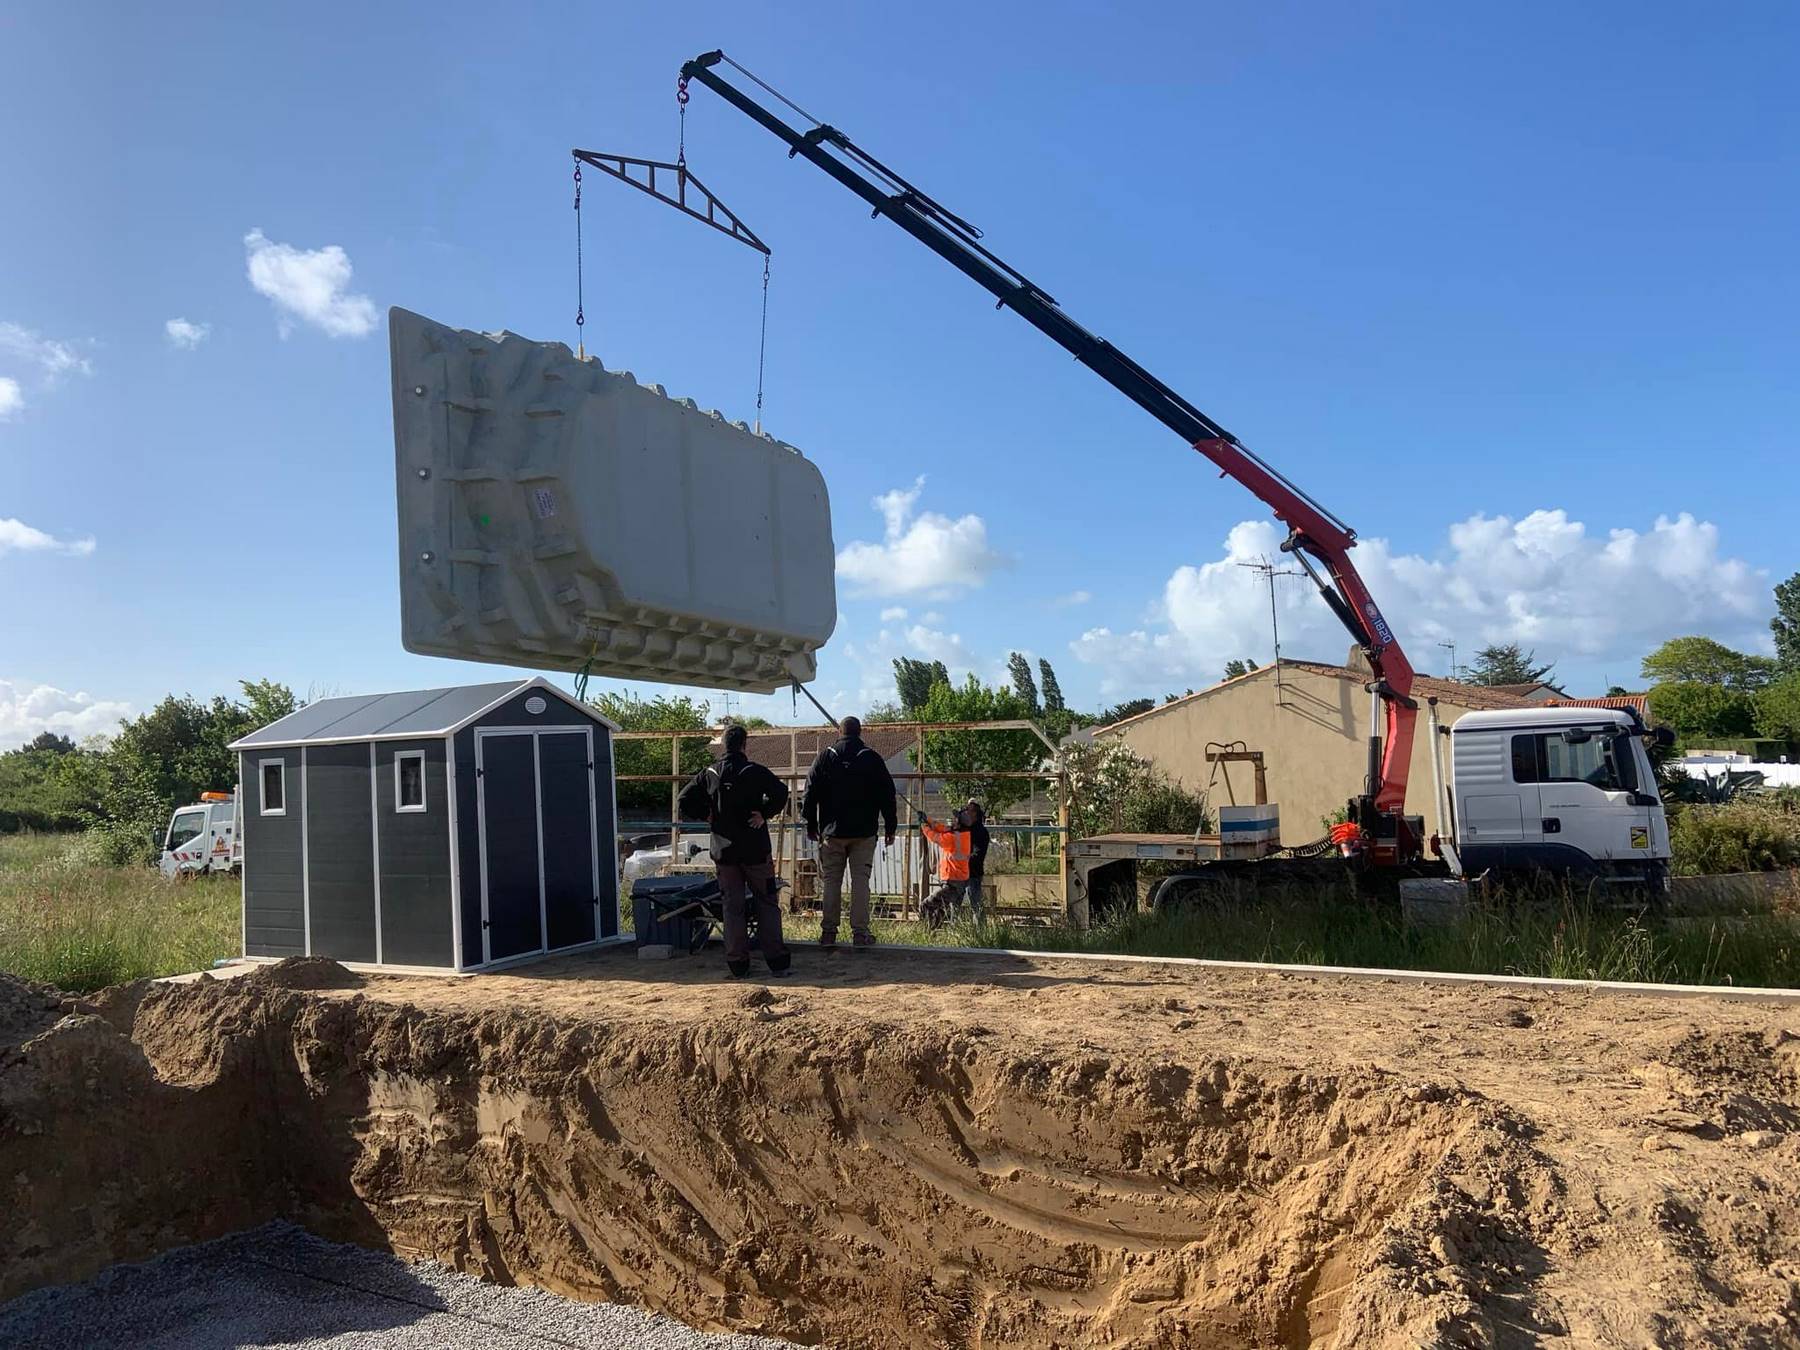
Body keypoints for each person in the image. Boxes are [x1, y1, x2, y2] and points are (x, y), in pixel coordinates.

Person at [678, 723, 791, 979]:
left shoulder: (710, 773)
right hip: (755, 849)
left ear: (723, 744)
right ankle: (777, 962)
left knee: (732, 907)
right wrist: (764, 813)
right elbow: (781, 792)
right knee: (766, 903)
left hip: (724, 852)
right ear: (744, 744)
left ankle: (738, 964)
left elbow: (683, 799)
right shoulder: (755, 771)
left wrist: (706, 814)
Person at [800, 715, 896, 950]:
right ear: (859, 733)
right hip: (863, 831)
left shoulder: (825, 757)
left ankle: (829, 933)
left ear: (839, 732)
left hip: (832, 832)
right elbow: (887, 794)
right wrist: (890, 827)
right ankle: (860, 933)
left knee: (832, 881)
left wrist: (810, 824)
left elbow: (809, 792)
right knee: (860, 882)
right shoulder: (871, 758)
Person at [919, 800, 989, 924]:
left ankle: (976, 932)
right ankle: (960, 931)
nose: (966, 811)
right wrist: (928, 820)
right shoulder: (963, 830)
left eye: (969, 809)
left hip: (969, 874)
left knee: (974, 905)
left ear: (976, 815)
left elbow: (937, 836)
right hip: (963, 875)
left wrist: (924, 826)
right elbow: (942, 828)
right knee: (957, 907)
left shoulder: (973, 833)